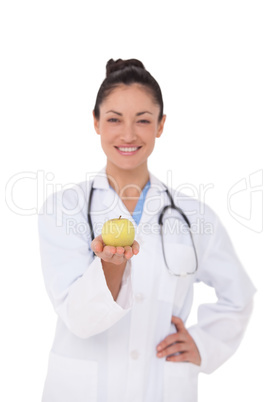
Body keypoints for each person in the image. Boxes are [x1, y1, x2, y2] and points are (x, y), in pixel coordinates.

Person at [37, 58, 256, 402]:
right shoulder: (63, 209)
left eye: (143, 120)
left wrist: (204, 343)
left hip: (163, 386)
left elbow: (239, 295)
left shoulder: (195, 216)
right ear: (95, 122)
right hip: (81, 390)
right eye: (113, 119)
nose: (128, 134)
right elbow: (78, 320)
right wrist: (111, 267)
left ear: (161, 125)